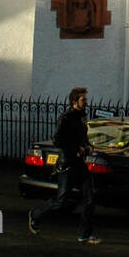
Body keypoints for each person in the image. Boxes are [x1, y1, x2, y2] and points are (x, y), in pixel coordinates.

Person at [28, 86, 101, 244]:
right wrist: (75, 149)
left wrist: (88, 146)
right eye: (83, 100)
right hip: (68, 164)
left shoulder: (82, 117)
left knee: (90, 198)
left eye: (86, 99)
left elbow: (82, 138)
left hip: (81, 165)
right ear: (75, 101)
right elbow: (58, 140)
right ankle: (35, 215)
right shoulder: (66, 118)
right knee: (61, 202)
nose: (86, 102)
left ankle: (84, 234)